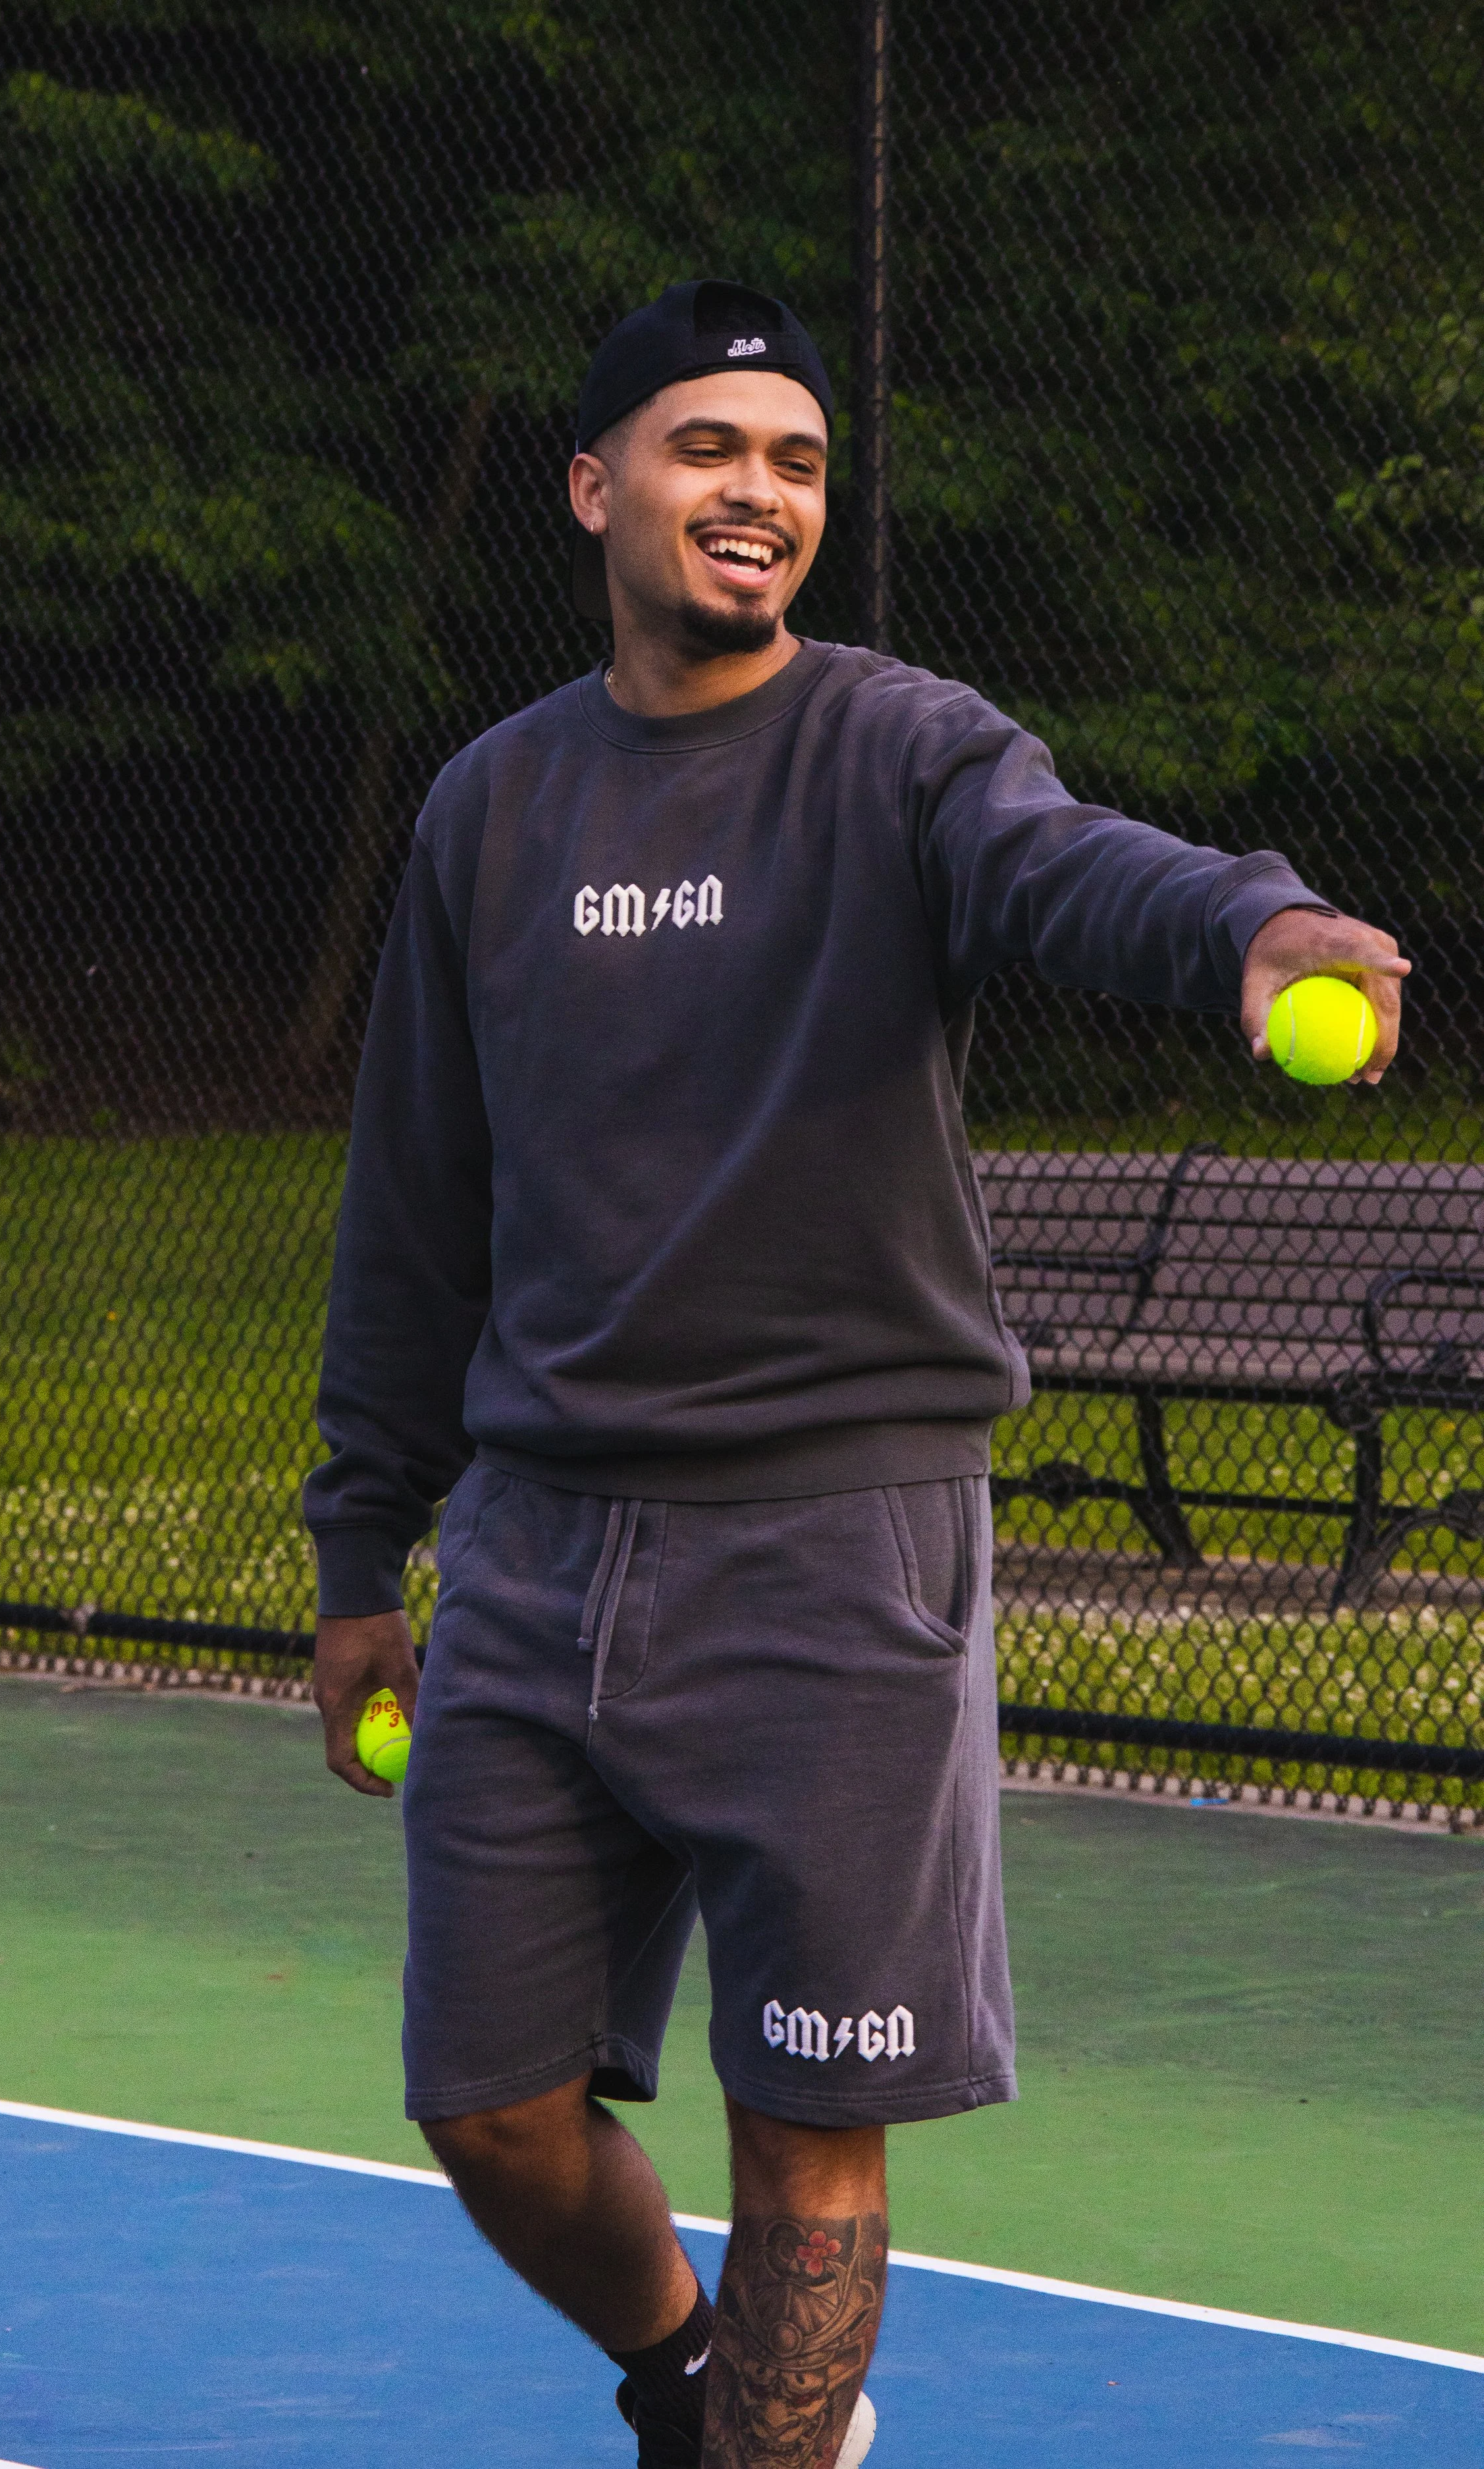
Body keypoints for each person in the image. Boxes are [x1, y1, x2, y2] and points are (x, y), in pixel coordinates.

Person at [303, 279, 1407, 2469]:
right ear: (594, 482)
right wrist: (364, 1542)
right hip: (532, 1556)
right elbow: (413, 1205)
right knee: (490, 2108)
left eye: (797, 464)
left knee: (810, 2128)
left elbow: (1066, 869)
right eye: (711, 449)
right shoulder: (489, 809)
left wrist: (1254, 931)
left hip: (835, 1549)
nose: (758, 497)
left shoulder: (902, 751)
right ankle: (693, 2390)